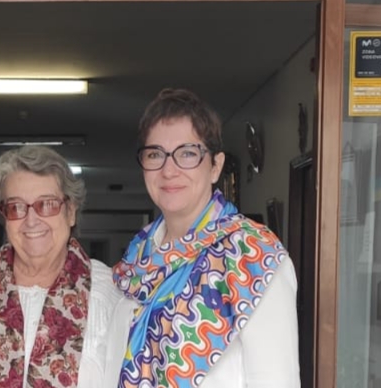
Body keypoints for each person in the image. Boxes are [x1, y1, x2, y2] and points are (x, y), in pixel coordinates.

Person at [106, 88, 300, 388]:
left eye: (187, 153)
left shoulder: (253, 256)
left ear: (215, 166)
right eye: (155, 154)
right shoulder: (137, 257)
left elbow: (276, 381)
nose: (169, 170)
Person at [0, 145, 124, 388]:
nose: (31, 221)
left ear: (71, 212)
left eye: (48, 204)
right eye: (16, 207)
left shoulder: (109, 292)